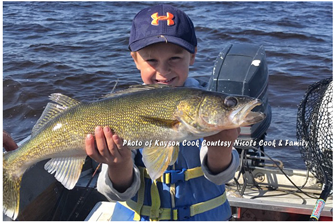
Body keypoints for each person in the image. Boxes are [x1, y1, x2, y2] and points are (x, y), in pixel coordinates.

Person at [85, 4, 241, 221]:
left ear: (193, 55)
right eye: (151, 60)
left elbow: (222, 175)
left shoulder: (207, 103)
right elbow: (114, 192)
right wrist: (118, 164)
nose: (163, 71)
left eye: (175, 59)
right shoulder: (123, 108)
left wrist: (221, 147)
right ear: (135, 59)